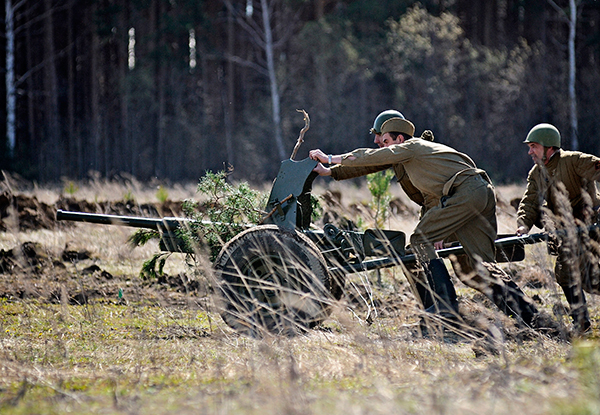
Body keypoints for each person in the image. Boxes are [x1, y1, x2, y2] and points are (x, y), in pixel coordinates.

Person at [309, 111, 540, 327]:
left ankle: (444, 307)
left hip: (466, 193)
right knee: (475, 268)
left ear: (400, 138)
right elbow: (373, 163)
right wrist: (331, 172)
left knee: (420, 241)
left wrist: (330, 158)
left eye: (385, 141)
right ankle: (532, 318)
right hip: (477, 193)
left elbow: (371, 156)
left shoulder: (413, 146)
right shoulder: (418, 157)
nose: (380, 146)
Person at [516, 123, 600, 334]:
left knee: (586, 278)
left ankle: (582, 325)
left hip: (589, 225)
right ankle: (582, 324)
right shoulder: (536, 173)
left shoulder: (574, 160)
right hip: (565, 231)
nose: (530, 152)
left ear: (548, 146)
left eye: (534, 146)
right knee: (567, 275)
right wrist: (522, 225)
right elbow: (529, 202)